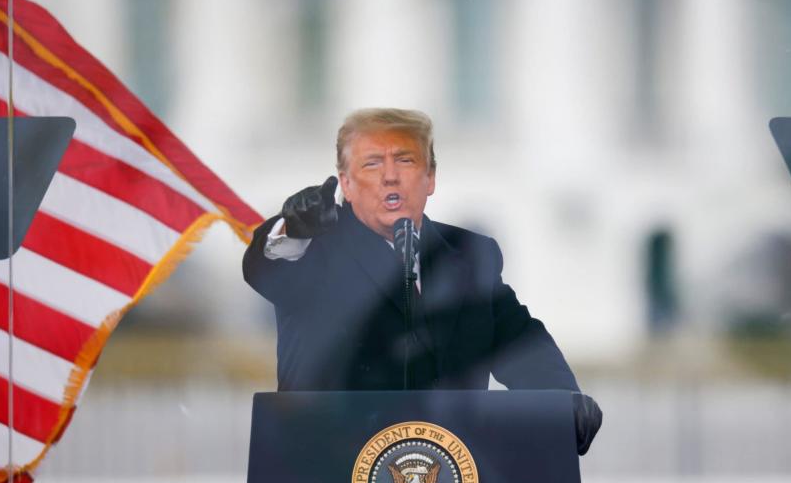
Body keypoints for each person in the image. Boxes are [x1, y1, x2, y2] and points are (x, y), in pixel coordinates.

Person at [243, 108, 601, 454]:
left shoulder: (470, 255)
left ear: (430, 178)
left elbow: (519, 344)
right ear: (346, 184)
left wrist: (560, 399)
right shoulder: (314, 250)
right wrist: (291, 229)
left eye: (405, 160)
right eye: (372, 163)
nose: (390, 176)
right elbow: (268, 269)